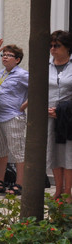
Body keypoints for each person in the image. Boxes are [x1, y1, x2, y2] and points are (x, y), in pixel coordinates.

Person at [0, 44, 28, 195]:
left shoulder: (22, 74)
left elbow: (38, 88)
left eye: (9, 55)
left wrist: (24, 105)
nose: (4, 57)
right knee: (0, 150)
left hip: (14, 116)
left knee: (18, 151)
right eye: (3, 55)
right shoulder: (2, 73)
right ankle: (0, 180)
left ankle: (20, 183)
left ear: (17, 59)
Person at [47, 30, 72, 202]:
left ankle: (67, 191)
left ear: (67, 47)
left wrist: (63, 110)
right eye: (51, 46)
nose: (53, 49)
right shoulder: (45, 65)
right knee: (53, 153)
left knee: (68, 154)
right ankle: (57, 188)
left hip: (68, 118)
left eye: (57, 46)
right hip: (48, 117)